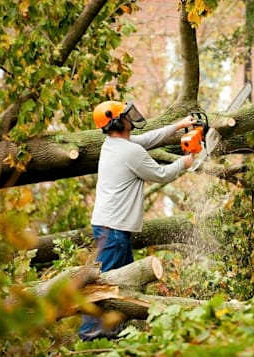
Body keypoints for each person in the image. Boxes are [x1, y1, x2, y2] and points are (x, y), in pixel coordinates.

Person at [78, 100, 195, 341]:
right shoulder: (128, 151)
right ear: (117, 121)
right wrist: (185, 162)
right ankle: (88, 334)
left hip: (112, 226)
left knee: (124, 284)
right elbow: (162, 175)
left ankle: (113, 330)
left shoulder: (115, 145)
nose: (132, 118)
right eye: (126, 115)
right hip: (114, 229)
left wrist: (178, 126)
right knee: (104, 283)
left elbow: (148, 139)